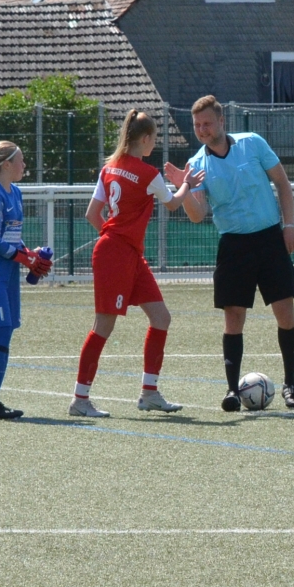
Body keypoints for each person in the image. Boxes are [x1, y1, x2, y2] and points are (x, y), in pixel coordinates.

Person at [179, 95, 294, 411]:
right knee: (233, 318)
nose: (202, 130)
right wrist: (183, 190)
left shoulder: (253, 143)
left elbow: (283, 183)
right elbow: (197, 214)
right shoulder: (196, 165)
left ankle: (290, 384)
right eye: (197, 125)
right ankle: (232, 390)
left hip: (270, 239)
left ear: (222, 121)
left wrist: (289, 225)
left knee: (285, 314)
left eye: (207, 123)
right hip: (233, 246)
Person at [75, 110, 196, 417]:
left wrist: (113, 238)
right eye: (154, 139)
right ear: (144, 139)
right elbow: (173, 204)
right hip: (118, 254)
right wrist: (186, 184)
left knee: (161, 317)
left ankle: (149, 393)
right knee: (104, 325)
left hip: (125, 253)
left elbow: (92, 214)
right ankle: (80, 399)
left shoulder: (109, 168)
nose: (154, 144)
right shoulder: (148, 173)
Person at [0, 140, 50, 419]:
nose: (24, 165)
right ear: (6, 165)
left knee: (7, 330)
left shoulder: (14, 191)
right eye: (21, 160)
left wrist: (31, 254)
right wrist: (24, 259)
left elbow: (12, 237)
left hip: (6, 270)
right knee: (1, 331)